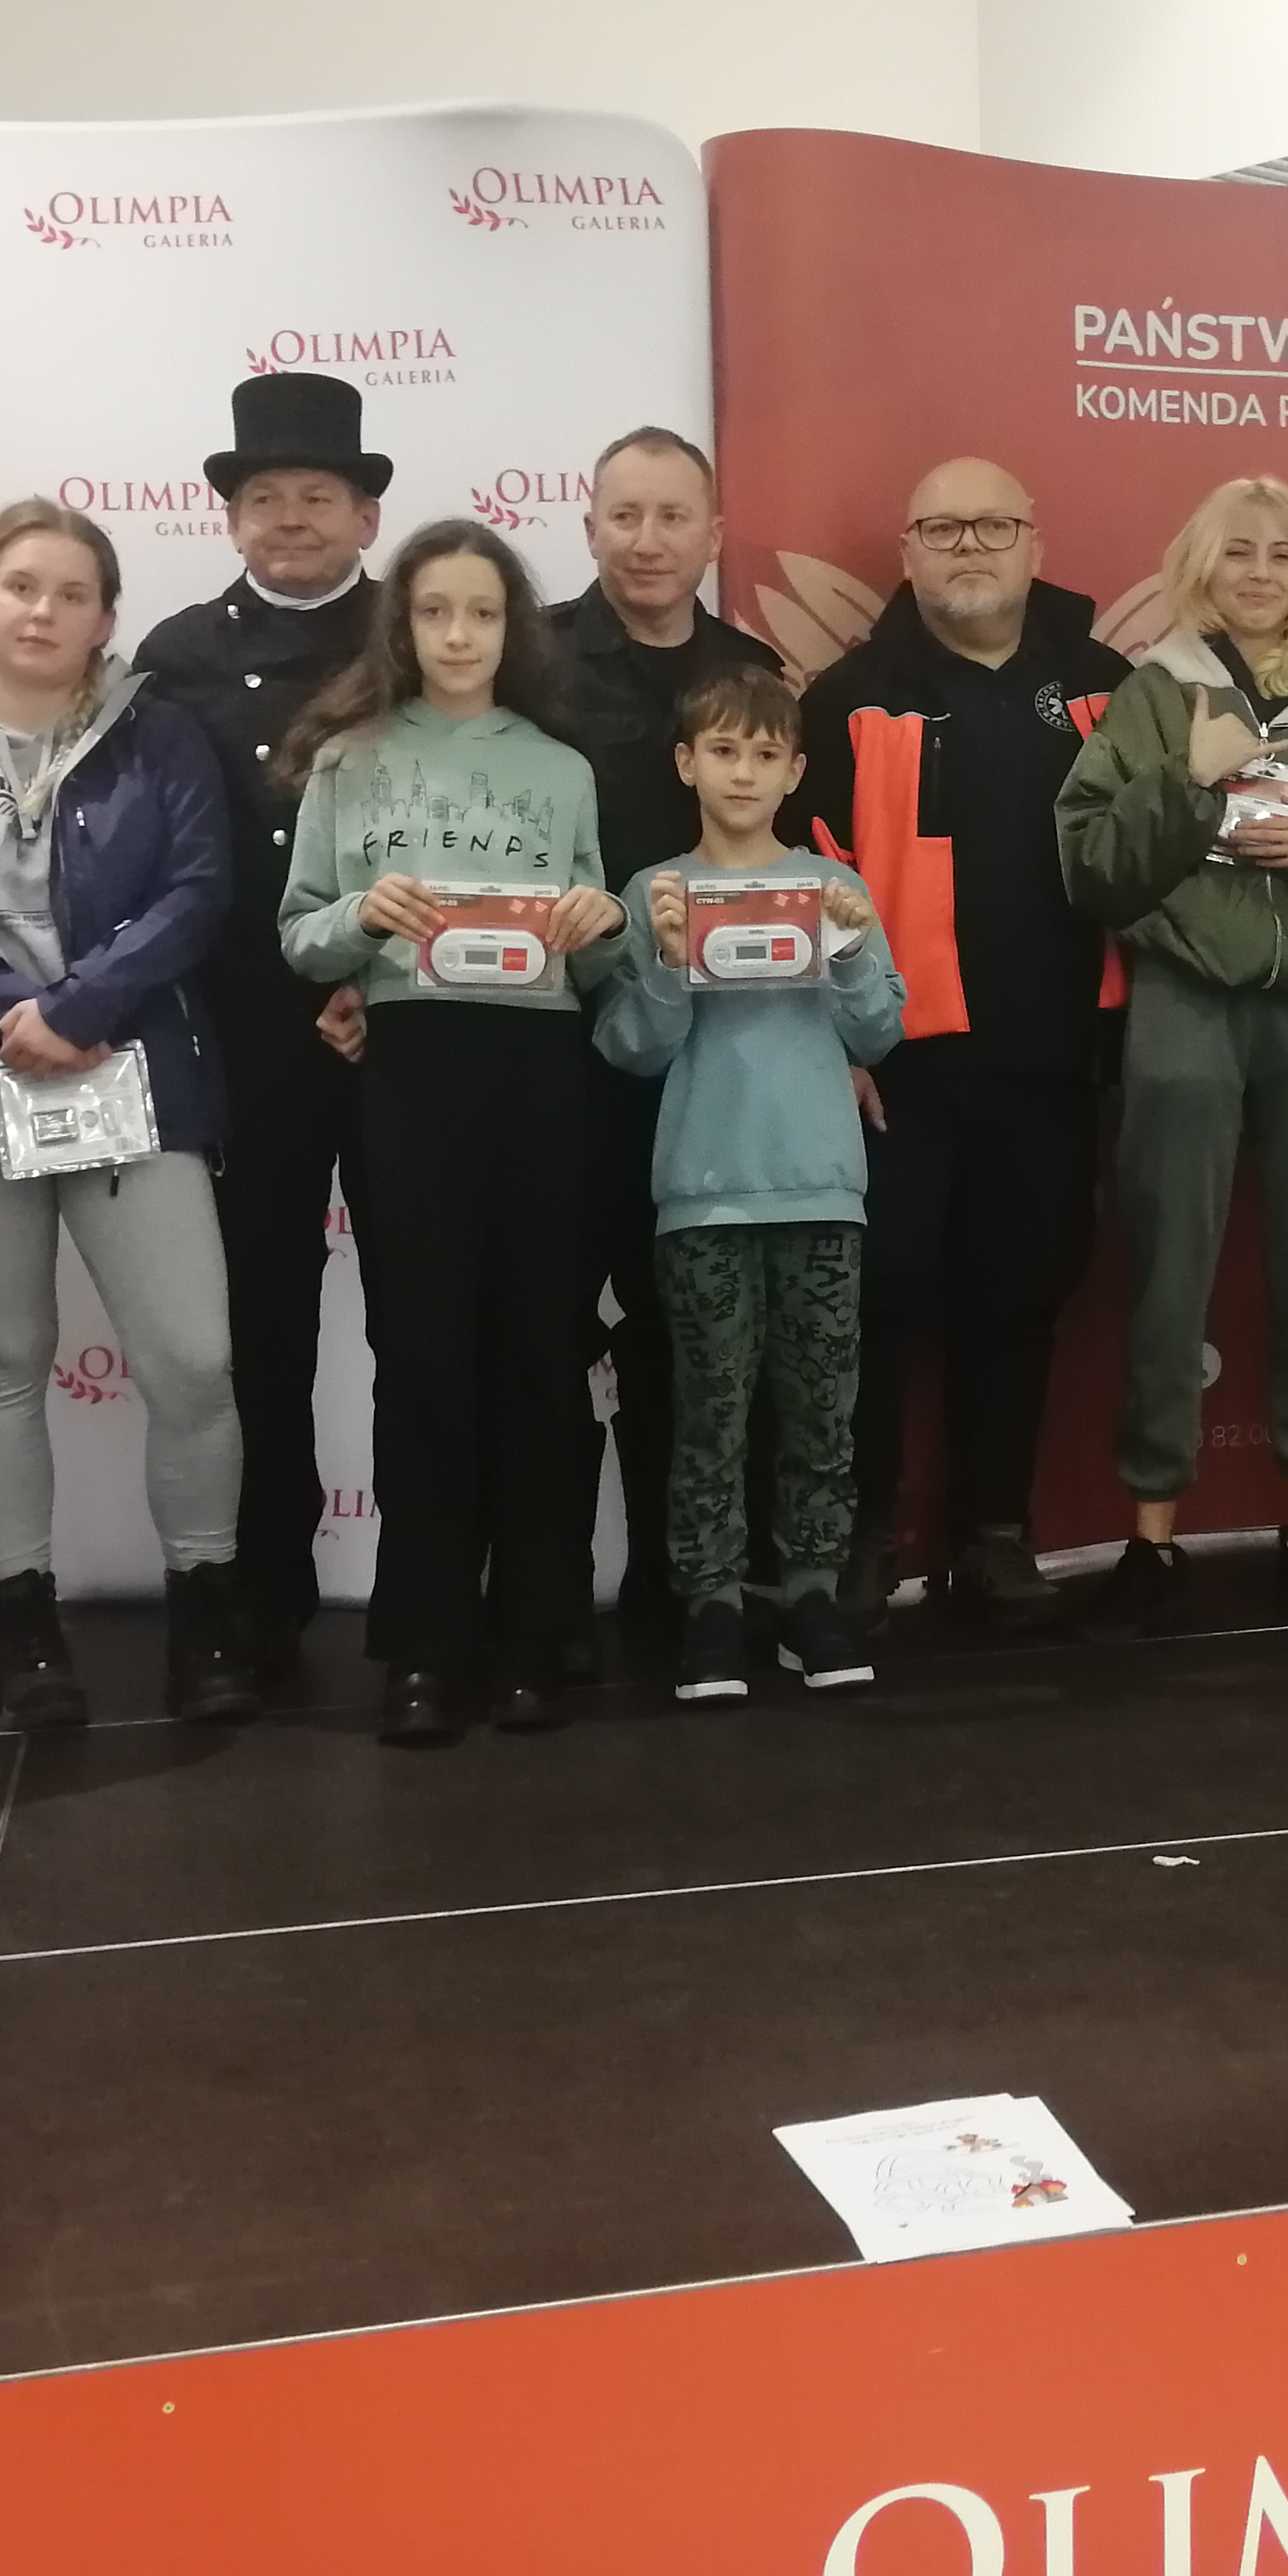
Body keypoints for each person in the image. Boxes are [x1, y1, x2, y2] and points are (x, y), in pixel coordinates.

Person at [0, 500, 244, 1730]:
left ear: (105, 619)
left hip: (127, 1070)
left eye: (73, 594)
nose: (44, 611)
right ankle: (26, 1633)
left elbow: (196, 890)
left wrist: (77, 1006)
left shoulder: (158, 736)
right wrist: (7, 1013)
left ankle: (206, 1617)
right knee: (2, 1361)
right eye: (22, 586)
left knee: (194, 1361)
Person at [278, 520, 625, 1741]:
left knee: (537, 1351)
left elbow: (601, 954)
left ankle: (535, 1632)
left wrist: (602, 922)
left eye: (483, 612)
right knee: (422, 1355)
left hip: (538, 1071)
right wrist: (362, 918)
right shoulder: (349, 759)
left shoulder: (559, 768)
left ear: (513, 627)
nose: (461, 634)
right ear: (404, 625)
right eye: (436, 612)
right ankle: (426, 1644)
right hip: (412, 1072)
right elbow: (300, 935)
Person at [784, 457, 1130, 1631]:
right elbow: (801, 880)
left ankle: (994, 1532)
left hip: (1052, 1062)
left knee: (1018, 1297)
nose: (968, 546)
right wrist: (836, 1044)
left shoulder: (1106, 686)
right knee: (872, 1300)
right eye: (942, 528)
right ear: (908, 550)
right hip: (894, 1072)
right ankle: (861, 1535)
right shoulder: (844, 699)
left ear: (1035, 542)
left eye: (991, 526)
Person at [1056, 475, 1288, 1629]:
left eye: (1281, 555)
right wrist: (1186, 781)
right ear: (1199, 566)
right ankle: (1151, 1537)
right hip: (1185, 1002)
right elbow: (1091, 864)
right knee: (1166, 1267)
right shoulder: (1156, 692)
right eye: (1238, 552)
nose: (1259, 574)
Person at [132, 373, 394, 1692]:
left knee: (421, 1315)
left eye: (318, 495)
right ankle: (266, 1594)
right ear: (231, 518)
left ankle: (430, 1594)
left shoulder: (422, 633)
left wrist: (381, 968)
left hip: (398, 1018)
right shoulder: (175, 656)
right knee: (262, 1320)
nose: (291, 519)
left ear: (365, 515)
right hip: (241, 1027)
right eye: (265, 497)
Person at [597, 670, 909, 1702]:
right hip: (704, 1193)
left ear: (795, 771)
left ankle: (811, 1594)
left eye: (765, 754)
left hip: (821, 1190)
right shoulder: (655, 893)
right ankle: (713, 1604)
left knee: (822, 1408)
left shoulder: (832, 886)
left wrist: (851, 948)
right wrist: (667, 963)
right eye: (723, 751)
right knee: (711, 1411)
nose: (743, 773)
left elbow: (881, 1031)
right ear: (686, 763)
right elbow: (630, 1048)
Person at [552, 429, 785, 1672]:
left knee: (688, 1329)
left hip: (712, 1060)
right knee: (550, 1323)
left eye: (673, 517)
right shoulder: (532, 659)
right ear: (590, 525)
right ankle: (544, 1594)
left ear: (713, 533)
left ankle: (683, 1580)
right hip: (555, 1046)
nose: (647, 542)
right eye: (625, 516)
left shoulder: (754, 674)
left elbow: (802, 865)